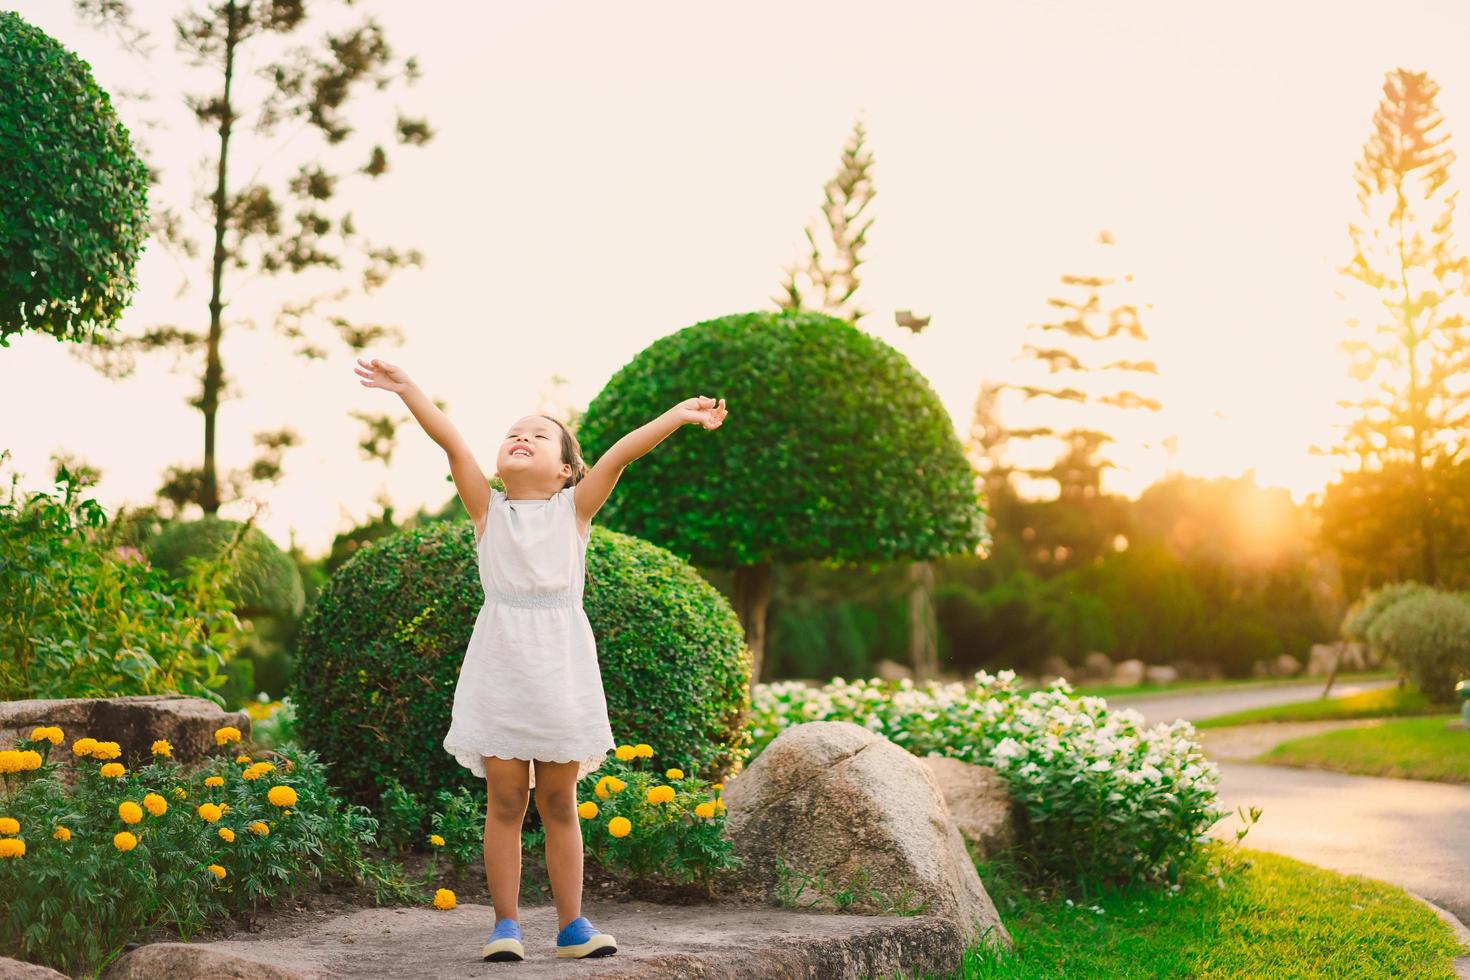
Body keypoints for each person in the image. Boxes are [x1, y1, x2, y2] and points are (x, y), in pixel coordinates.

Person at [354, 356, 727, 962]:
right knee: (504, 801)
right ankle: (505, 926)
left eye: (540, 434)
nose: (521, 436)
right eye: (513, 432)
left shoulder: (573, 512)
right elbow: (451, 442)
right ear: (501, 464)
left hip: (561, 674)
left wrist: (677, 416)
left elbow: (618, 456)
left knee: (558, 802)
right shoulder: (487, 511)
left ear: (563, 471)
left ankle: (572, 927)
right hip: (501, 671)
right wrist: (408, 389)